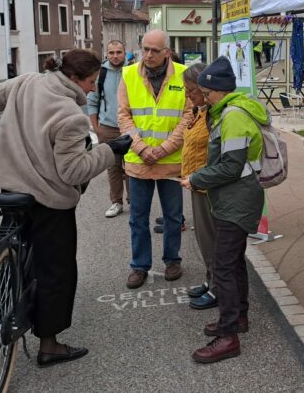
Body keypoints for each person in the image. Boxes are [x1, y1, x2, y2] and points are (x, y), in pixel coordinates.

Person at [0, 49, 132, 366]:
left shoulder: (25, 83)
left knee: (7, 252)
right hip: (48, 200)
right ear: (75, 78)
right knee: (57, 269)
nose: (92, 89)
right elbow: (73, 172)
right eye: (91, 82)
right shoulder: (70, 115)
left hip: (10, 186)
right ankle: (49, 345)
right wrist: (110, 150)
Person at [180, 56, 267, 364]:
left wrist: (196, 178)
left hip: (236, 200)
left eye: (203, 90)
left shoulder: (232, 117)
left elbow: (231, 166)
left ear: (214, 89)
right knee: (233, 262)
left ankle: (228, 336)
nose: (200, 96)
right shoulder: (227, 112)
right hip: (233, 198)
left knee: (224, 265)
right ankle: (238, 318)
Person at [118, 29, 191, 289]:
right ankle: (140, 266)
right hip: (139, 161)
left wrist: (164, 148)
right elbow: (124, 116)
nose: (147, 55)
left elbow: (188, 115)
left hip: (170, 160)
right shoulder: (128, 75)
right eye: (144, 49)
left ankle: (173, 260)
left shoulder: (183, 75)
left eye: (154, 50)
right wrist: (141, 148)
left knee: (173, 216)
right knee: (138, 217)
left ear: (166, 53)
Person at [179, 63, 217, 310]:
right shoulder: (200, 110)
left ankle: (217, 289)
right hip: (197, 183)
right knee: (204, 239)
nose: (187, 96)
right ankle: (210, 279)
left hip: (208, 186)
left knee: (212, 240)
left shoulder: (215, 114)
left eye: (191, 90)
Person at [88, 40, 130, 218]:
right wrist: (97, 129)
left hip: (129, 126)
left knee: (131, 167)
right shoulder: (100, 74)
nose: (115, 56)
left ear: (124, 53)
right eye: (111, 52)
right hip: (108, 127)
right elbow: (92, 101)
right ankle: (116, 202)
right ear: (106, 54)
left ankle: (134, 202)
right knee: (113, 167)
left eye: (118, 52)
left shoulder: (133, 71)